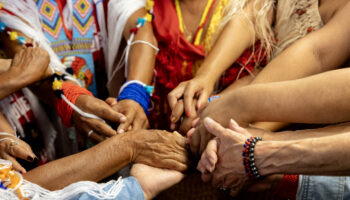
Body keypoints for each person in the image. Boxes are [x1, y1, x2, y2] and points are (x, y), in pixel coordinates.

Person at [107, 0, 273, 132]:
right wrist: (132, 100)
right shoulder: (141, 7)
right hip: (148, 142)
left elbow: (268, 75)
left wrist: (208, 102)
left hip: (218, 137)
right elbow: (139, 42)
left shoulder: (253, 8)